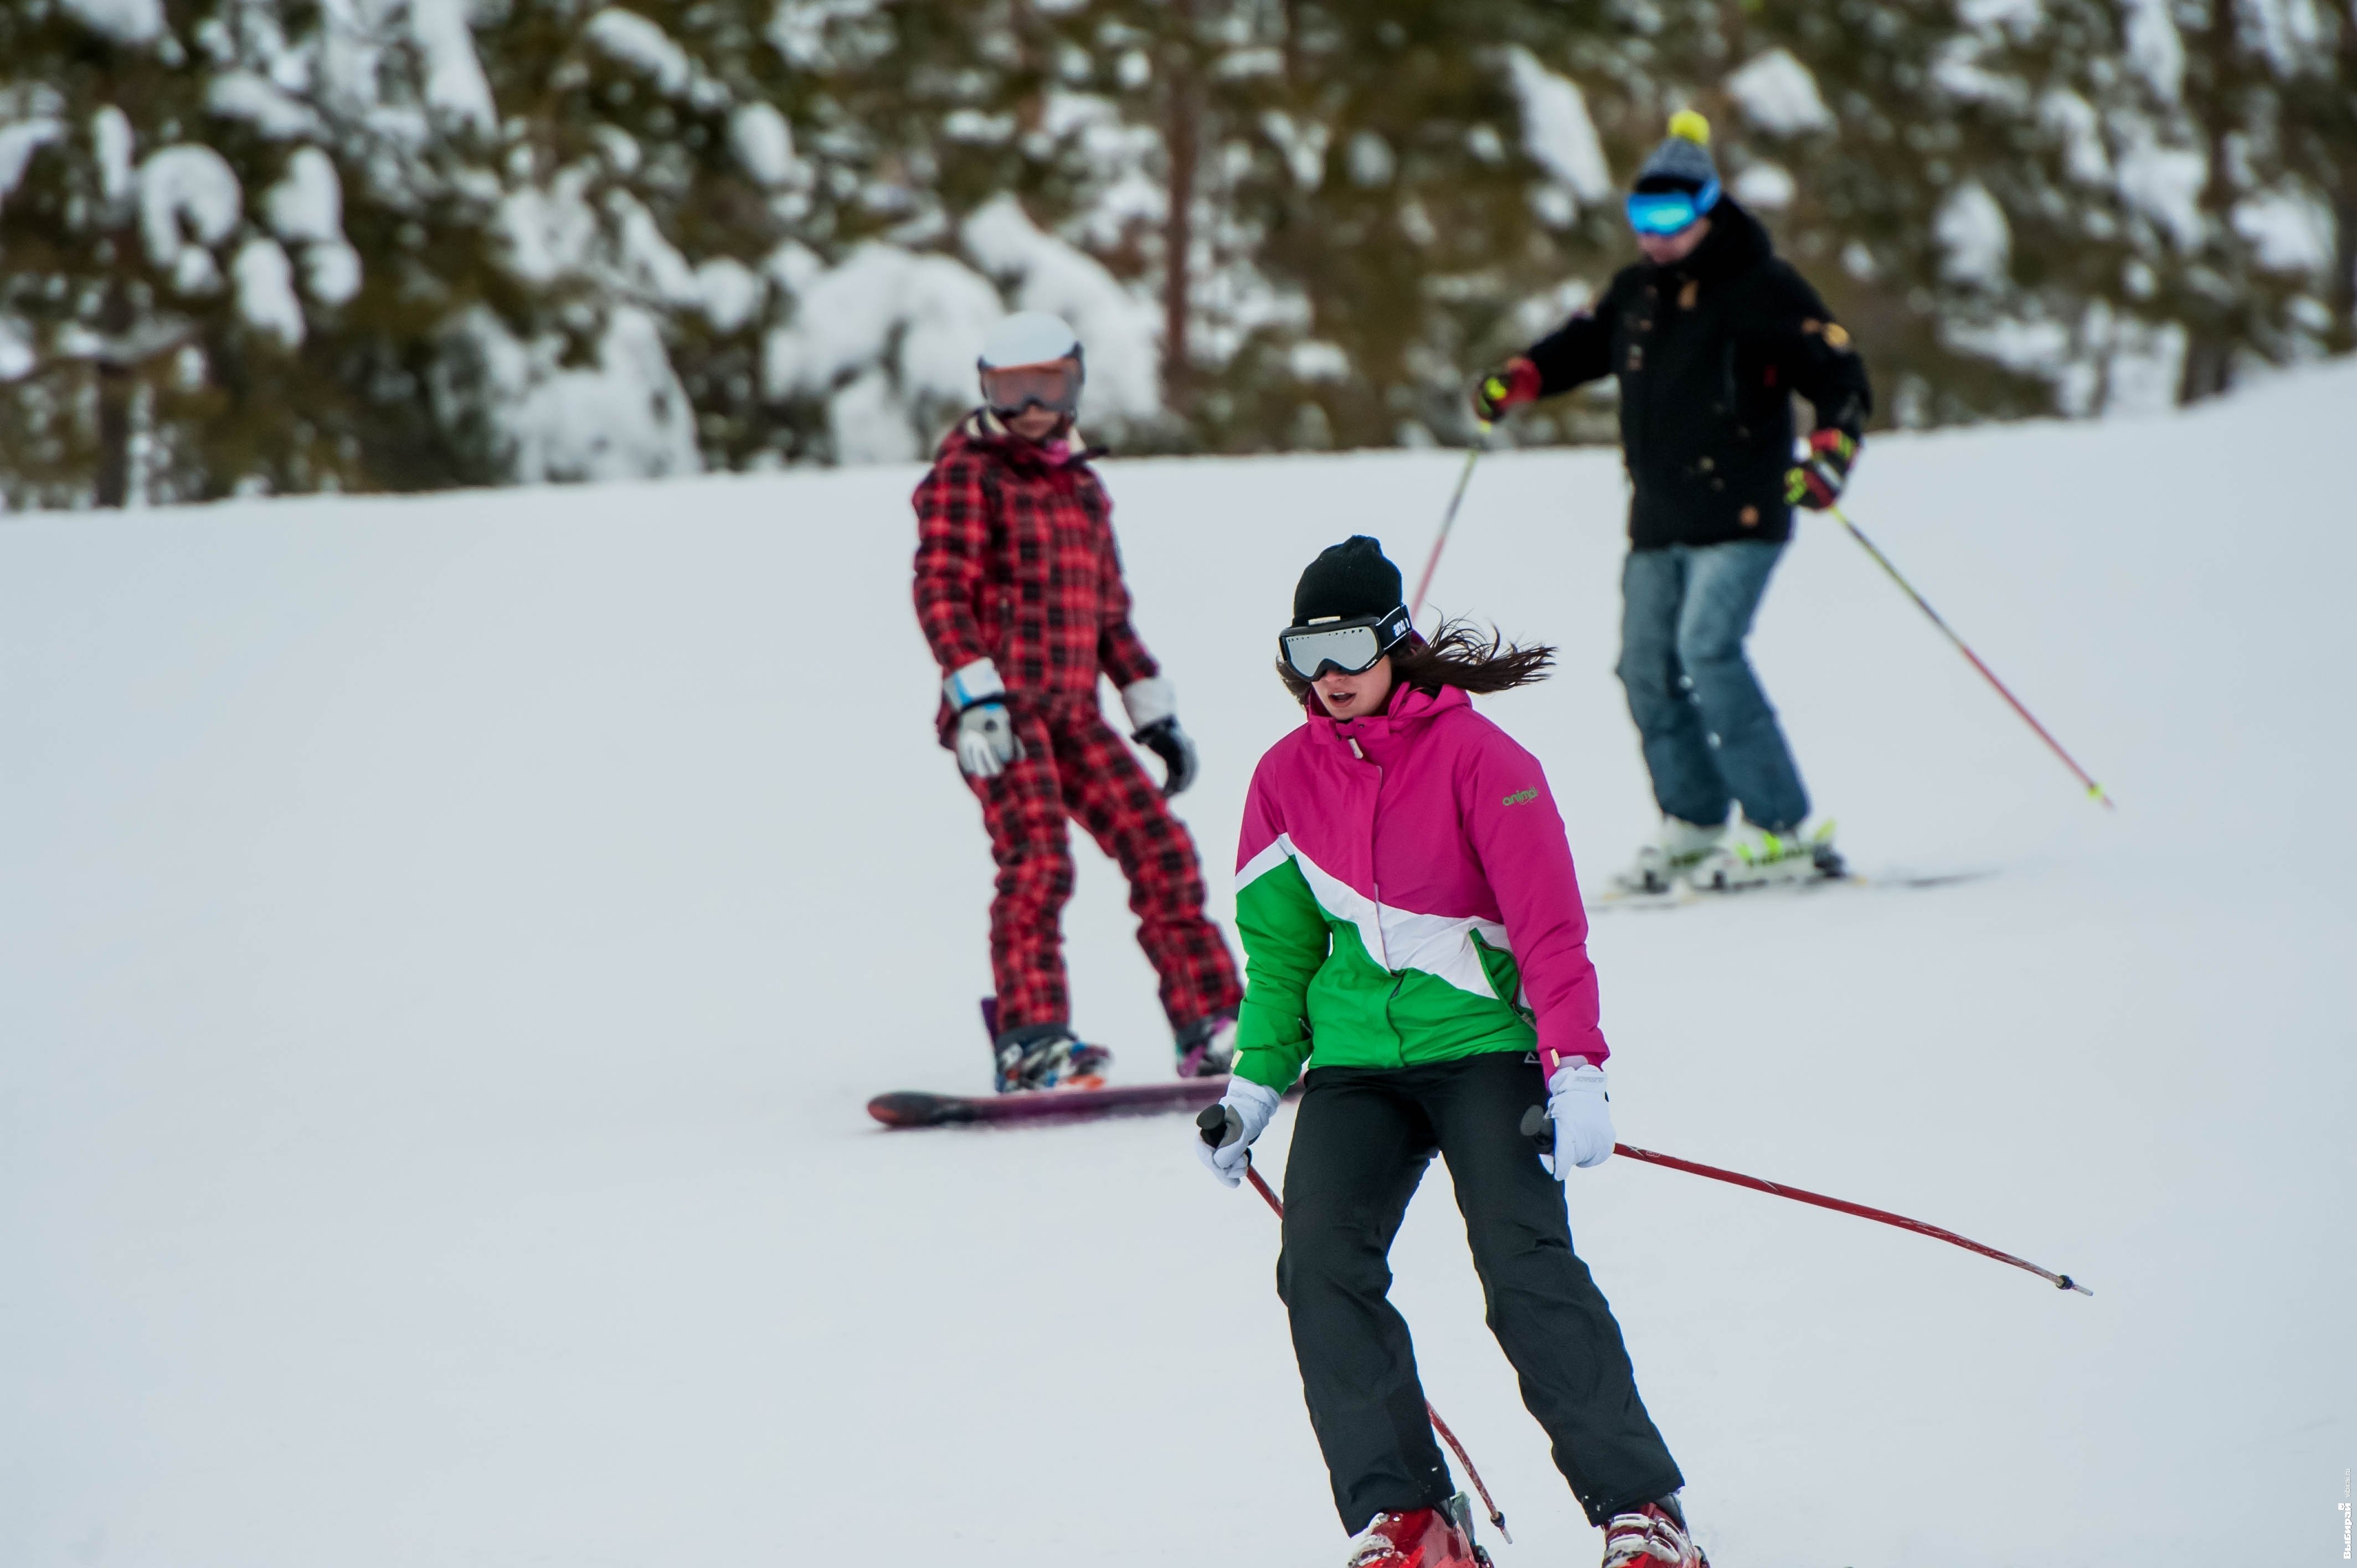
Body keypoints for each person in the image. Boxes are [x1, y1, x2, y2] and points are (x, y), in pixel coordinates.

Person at [1196, 537, 1705, 1568]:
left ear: (1395, 640)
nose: (1328, 676)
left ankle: (1640, 1515)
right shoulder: (1284, 777)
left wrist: (1577, 1070)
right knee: (1320, 1270)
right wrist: (1254, 1086)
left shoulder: (1485, 762)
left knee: (1523, 1270)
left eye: (1346, 646)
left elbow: (1550, 929)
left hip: (1484, 1048)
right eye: (1306, 652)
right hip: (1355, 1065)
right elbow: (1282, 951)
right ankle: (1415, 1521)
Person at [1475, 111, 1874, 894]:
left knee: (1709, 650)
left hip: (1745, 515)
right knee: (1644, 669)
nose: (1654, 236)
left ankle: (1784, 828)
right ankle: (1692, 823)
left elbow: (1838, 374)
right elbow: (1580, 344)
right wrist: (1522, 377)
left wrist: (1832, 451)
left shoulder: (1762, 287)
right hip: (1658, 519)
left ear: (1708, 207)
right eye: (1641, 219)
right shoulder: (1638, 291)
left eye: (1671, 218)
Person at [912, 311, 1242, 1092]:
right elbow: (941, 589)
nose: (1031, 406)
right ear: (987, 389)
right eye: (1012, 388)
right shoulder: (968, 472)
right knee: (1038, 861)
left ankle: (1213, 1026)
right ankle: (1032, 1040)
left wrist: (1150, 710)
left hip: (1074, 714)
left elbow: (1109, 618)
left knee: (1160, 848)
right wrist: (972, 693)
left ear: (1074, 384)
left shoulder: (1081, 488)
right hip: (1001, 717)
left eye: (1047, 386)